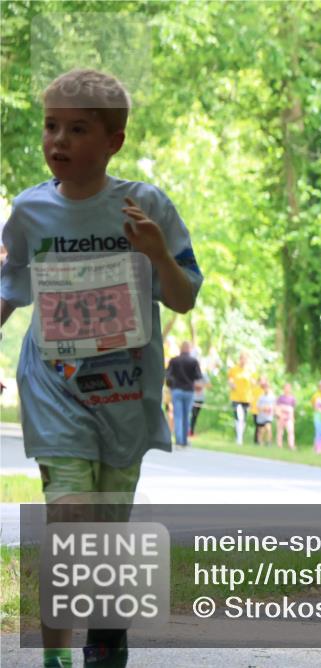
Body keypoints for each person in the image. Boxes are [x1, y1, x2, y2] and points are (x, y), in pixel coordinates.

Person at [0, 68, 202, 668]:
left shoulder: (147, 206)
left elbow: (184, 295)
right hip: (53, 386)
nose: (58, 141)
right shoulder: (30, 212)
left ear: (114, 140)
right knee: (68, 514)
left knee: (107, 531)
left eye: (78, 129)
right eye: (51, 126)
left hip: (125, 393)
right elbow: (11, 294)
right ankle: (55, 654)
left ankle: (107, 640)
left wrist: (157, 254)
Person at [165, 341, 203, 447]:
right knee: (186, 415)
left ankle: (179, 439)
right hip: (189, 391)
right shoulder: (193, 362)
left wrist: (171, 384)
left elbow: (167, 374)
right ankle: (185, 440)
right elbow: (198, 377)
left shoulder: (174, 361)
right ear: (189, 349)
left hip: (177, 390)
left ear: (181, 349)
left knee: (178, 415)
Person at [227, 351, 253, 445]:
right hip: (236, 397)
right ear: (240, 359)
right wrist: (231, 384)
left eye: (245, 359)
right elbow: (230, 380)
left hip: (246, 398)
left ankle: (240, 435)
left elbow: (253, 384)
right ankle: (239, 439)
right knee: (238, 416)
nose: (243, 361)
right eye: (242, 359)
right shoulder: (234, 369)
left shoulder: (250, 371)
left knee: (244, 418)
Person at [275, 383, 297, 450]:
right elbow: (277, 407)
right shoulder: (280, 398)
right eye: (286, 388)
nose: (287, 389)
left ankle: (291, 445)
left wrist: (292, 417)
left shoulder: (292, 398)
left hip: (289, 417)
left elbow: (293, 408)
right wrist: (279, 415)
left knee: (290, 431)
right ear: (283, 389)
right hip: (281, 416)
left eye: (288, 388)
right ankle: (279, 445)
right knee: (280, 432)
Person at [255, 379, 276, 446]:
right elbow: (258, 406)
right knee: (261, 430)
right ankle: (260, 442)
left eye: (268, 387)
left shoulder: (272, 397)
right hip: (261, 416)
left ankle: (269, 442)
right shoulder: (261, 397)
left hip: (268, 416)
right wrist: (263, 408)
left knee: (268, 428)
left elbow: (274, 406)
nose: (266, 389)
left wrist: (271, 410)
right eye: (265, 388)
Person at [189, 371, 209, 438]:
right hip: (191, 397)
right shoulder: (191, 373)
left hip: (200, 399)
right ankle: (188, 431)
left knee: (195, 416)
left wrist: (201, 386)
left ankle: (191, 431)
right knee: (190, 415)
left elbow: (208, 384)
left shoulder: (204, 374)